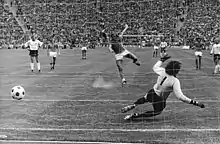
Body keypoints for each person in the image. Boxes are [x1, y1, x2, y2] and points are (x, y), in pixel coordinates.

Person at [121, 55, 205, 120]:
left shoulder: (162, 71)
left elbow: (155, 67)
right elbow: (180, 97)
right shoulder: (174, 81)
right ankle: (136, 115)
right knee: (157, 112)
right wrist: (195, 103)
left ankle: (134, 105)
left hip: (152, 92)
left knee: (145, 98)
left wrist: (161, 60)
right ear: (176, 70)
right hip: (159, 99)